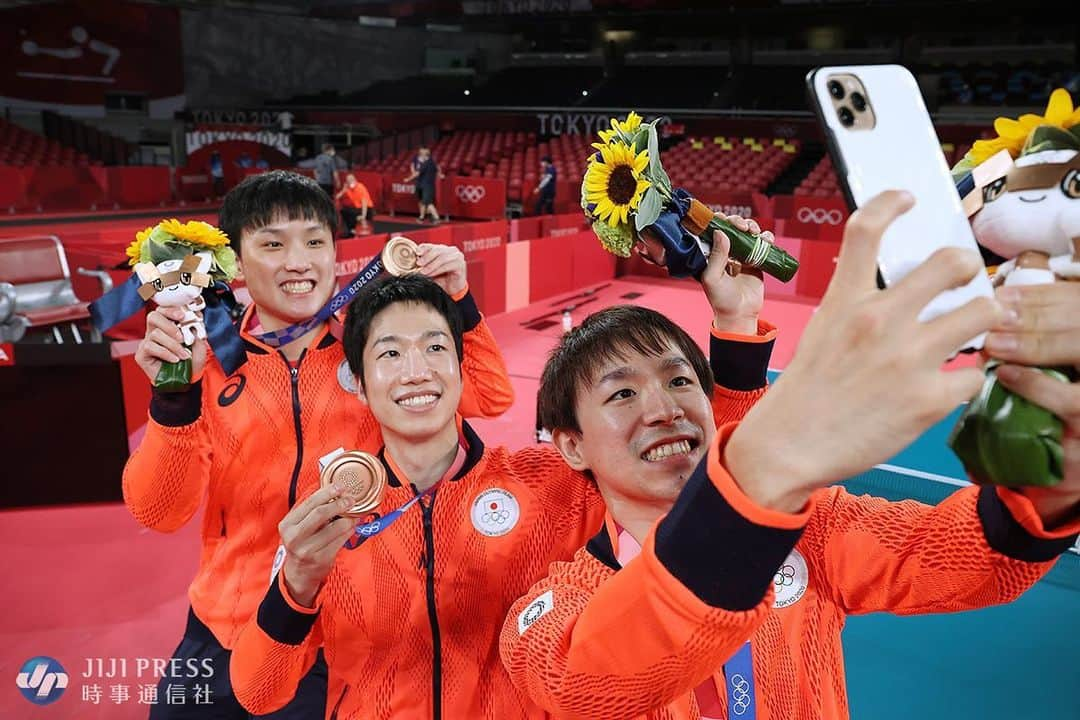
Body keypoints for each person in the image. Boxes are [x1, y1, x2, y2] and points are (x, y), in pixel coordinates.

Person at [499, 190, 1080, 720]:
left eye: (680, 382)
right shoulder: (550, 613)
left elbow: (962, 557)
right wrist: (770, 463)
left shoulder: (813, 531)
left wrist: (1057, 474)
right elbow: (588, 685)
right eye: (623, 393)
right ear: (570, 445)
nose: (663, 410)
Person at [227, 217, 780, 718]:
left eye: (436, 348)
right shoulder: (323, 519)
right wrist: (294, 587)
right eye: (390, 354)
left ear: (462, 368)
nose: (416, 371)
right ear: (360, 384)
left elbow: (693, 465)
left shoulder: (552, 482)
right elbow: (258, 691)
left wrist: (736, 320)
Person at [123, 170, 516, 720]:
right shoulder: (209, 360)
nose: (298, 262)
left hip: (348, 633)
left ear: (337, 249)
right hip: (227, 623)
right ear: (235, 260)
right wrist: (174, 400)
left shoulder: (374, 345)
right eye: (272, 244)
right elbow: (159, 511)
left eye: (314, 241)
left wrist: (461, 302)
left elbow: (490, 395)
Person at [404, 146, 442, 223]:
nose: (421, 156)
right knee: (424, 202)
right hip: (428, 185)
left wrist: (408, 179)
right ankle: (421, 218)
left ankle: (436, 217)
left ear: (425, 155)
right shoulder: (433, 163)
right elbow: (437, 170)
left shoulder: (426, 164)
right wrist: (440, 175)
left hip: (426, 186)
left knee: (428, 203)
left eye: (422, 154)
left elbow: (417, 173)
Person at [335, 173, 373, 237]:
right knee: (344, 211)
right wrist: (343, 191)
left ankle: (353, 230)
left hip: (367, 209)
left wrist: (363, 216)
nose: (350, 181)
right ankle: (351, 230)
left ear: (355, 180)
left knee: (352, 213)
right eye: (348, 180)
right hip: (357, 208)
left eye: (351, 179)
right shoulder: (347, 189)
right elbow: (337, 197)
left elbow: (364, 203)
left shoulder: (360, 187)